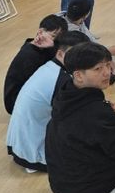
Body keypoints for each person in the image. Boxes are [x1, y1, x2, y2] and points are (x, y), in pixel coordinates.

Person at [45, 42, 115, 193]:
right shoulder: (97, 113)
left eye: (108, 65)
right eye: (98, 69)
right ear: (78, 75)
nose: (107, 72)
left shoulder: (63, 96)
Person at [6, 31, 89, 172]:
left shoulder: (50, 67)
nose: (80, 60)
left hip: (18, 143)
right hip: (34, 153)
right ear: (60, 54)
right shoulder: (62, 80)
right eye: (75, 55)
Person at [3, 14, 68, 114]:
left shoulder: (37, 46)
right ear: (40, 32)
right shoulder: (29, 55)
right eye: (53, 36)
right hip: (15, 103)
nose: (54, 41)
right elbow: (42, 82)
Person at [61, 0, 115, 83]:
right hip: (74, 59)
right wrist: (107, 52)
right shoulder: (73, 33)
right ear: (86, 15)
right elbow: (83, 53)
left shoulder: (70, 19)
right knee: (109, 57)